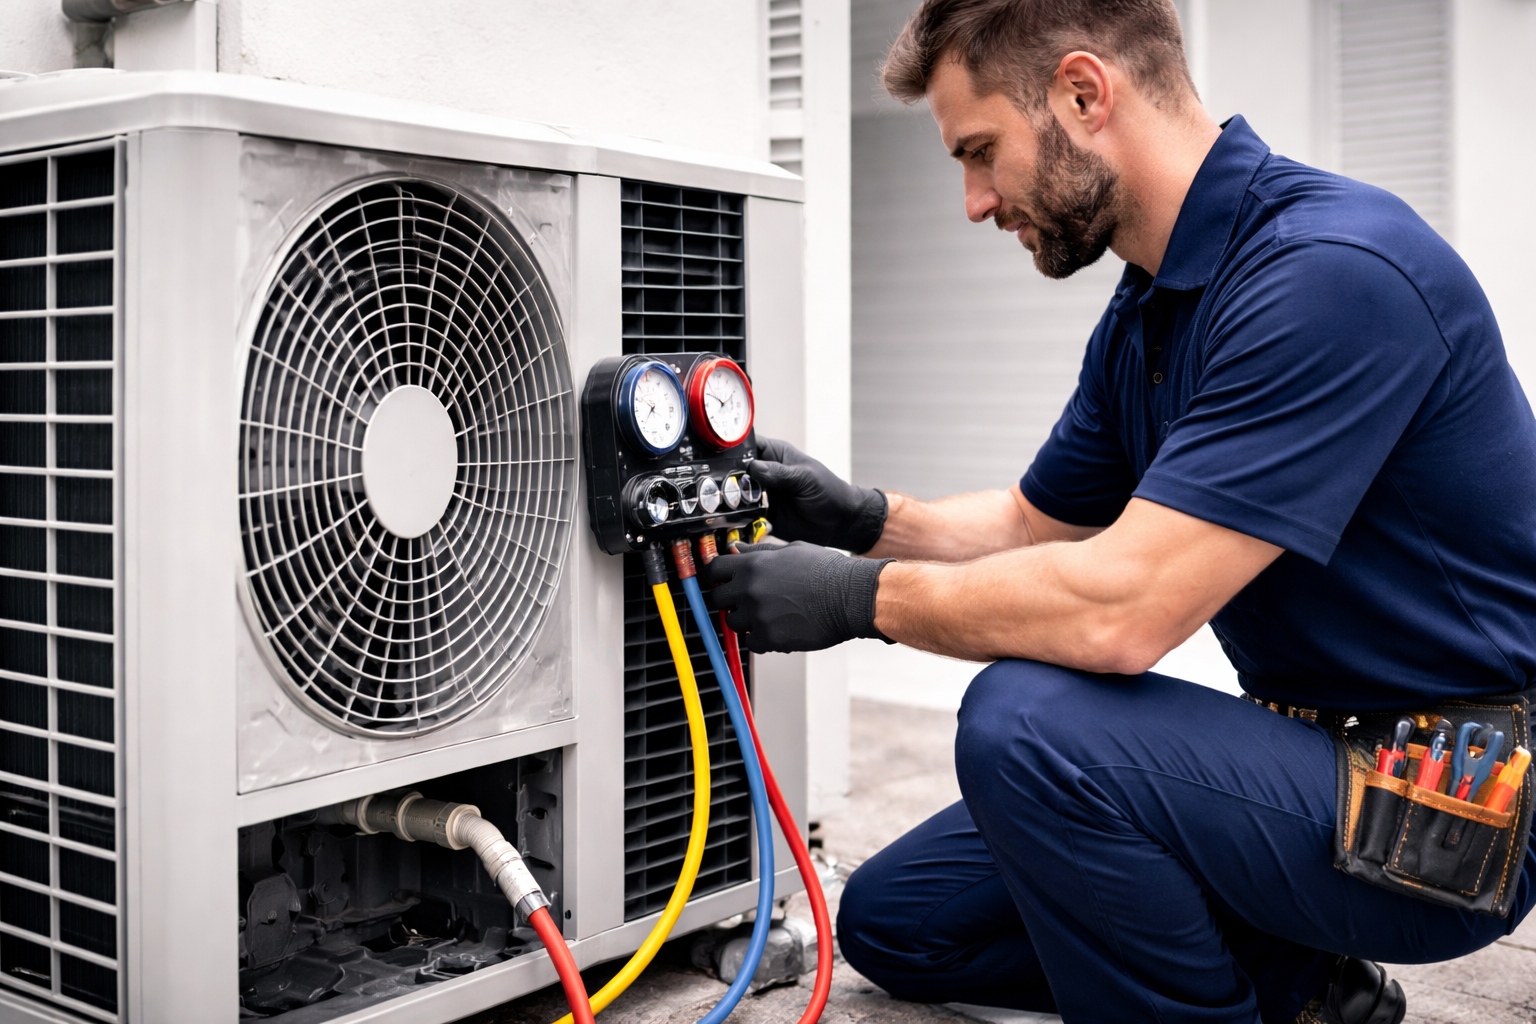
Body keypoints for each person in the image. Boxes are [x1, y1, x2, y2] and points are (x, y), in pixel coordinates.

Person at [702, 1, 1536, 1022]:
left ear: (1084, 94)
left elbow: (1120, 613)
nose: (973, 200)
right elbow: (1031, 524)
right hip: (1308, 759)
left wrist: (858, 598)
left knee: (1028, 728)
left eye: (980, 150)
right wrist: (858, 515)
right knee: (898, 918)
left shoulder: (1331, 275)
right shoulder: (1151, 305)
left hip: (1463, 799)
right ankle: (1298, 985)